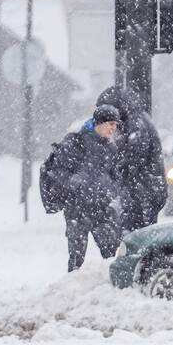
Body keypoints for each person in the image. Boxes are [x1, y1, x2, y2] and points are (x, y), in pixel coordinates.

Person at [48, 105, 123, 272]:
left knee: (111, 253)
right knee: (76, 257)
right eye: (111, 124)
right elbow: (58, 172)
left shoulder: (110, 148)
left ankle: (110, 287)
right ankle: (71, 288)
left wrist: (110, 190)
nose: (114, 128)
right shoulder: (75, 142)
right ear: (100, 122)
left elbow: (116, 177)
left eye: (116, 125)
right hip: (77, 208)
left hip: (102, 208)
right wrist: (75, 183)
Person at [96, 86, 167, 232]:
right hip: (145, 189)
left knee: (138, 235)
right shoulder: (134, 120)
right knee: (138, 233)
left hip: (144, 191)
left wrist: (113, 170)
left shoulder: (136, 124)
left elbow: (134, 156)